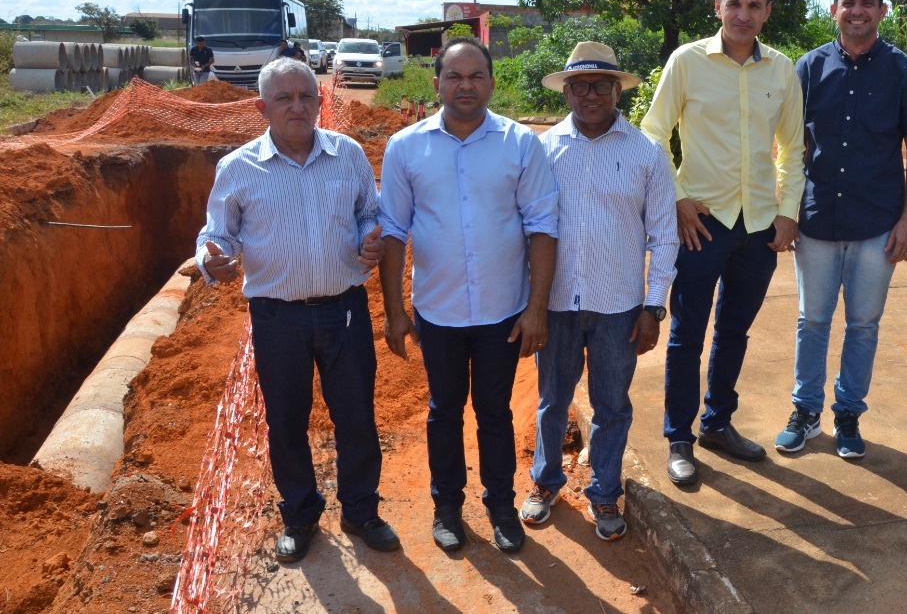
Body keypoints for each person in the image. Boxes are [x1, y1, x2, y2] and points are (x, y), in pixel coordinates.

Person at [195, 57, 398, 564]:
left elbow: (369, 213)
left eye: (306, 96)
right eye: (284, 98)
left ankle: (361, 510)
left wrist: (369, 242)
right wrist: (211, 260)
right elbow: (217, 233)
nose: (297, 106)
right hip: (276, 317)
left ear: (320, 101)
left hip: (344, 311)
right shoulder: (238, 168)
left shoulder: (348, 155)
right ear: (262, 107)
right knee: (286, 421)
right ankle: (301, 516)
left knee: (356, 416)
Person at [379, 36, 558, 555]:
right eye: (454, 76)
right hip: (438, 310)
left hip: (504, 309)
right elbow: (393, 230)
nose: (465, 85)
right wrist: (394, 312)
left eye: (476, 75)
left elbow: (542, 226)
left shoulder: (521, 144)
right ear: (435, 83)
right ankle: (446, 507)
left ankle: (501, 505)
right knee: (444, 409)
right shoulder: (406, 147)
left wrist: (537, 309)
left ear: (492, 83)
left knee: (496, 411)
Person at [640, 0, 804, 486]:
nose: (743, 14)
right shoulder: (687, 62)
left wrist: (787, 211)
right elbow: (653, 132)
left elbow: (794, 149)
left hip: (758, 226)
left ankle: (717, 423)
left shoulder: (782, 70)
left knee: (735, 331)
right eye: (734, 4)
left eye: (755, 6)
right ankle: (680, 439)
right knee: (687, 334)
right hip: (701, 224)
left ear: (767, 12)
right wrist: (678, 199)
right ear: (718, 8)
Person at [520, 42, 678, 541]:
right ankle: (545, 482)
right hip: (559, 304)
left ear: (617, 91)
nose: (590, 94)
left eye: (600, 85)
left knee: (613, 406)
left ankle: (605, 492)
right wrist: (531, 304)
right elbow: (525, 228)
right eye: (580, 85)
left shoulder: (646, 152)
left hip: (619, 308)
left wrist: (654, 305)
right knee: (552, 400)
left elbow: (664, 234)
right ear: (566, 92)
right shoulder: (543, 150)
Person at [774, 0, 907, 458]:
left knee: (863, 323)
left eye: (867, 3)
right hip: (817, 220)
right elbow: (791, 145)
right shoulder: (808, 68)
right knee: (812, 320)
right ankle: (805, 411)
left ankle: (848, 414)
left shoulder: (903, 71)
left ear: (883, 11)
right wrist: (788, 210)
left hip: (877, 224)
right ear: (834, 10)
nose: (857, 11)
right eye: (848, 3)